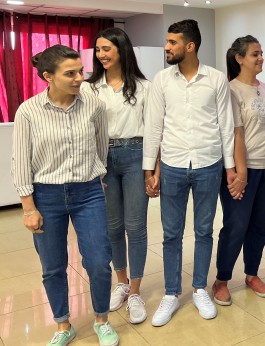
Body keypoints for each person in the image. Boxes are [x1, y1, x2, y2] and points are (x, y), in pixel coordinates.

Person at [12, 45, 119, 346]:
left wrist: (97, 175)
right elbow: (20, 161)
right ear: (48, 76)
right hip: (46, 195)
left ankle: (102, 319)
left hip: (89, 192)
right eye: (70, 73)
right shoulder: (28, 111)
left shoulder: (93, 104)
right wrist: (28, 207)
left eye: (80, 72)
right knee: (53, 266)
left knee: (99, 260)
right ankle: (63, 325)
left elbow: (101, 145)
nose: (78, 79)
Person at [143, 19, 235, 326]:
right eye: (167, 42)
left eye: (172, 42)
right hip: (172, 164)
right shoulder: (161, 80)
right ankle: (171, 293)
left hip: (208, 164)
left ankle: (199, 288)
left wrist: (231, 167)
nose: (167, 47)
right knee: (171, 234)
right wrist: (149, 169)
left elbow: (226, 125)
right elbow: (154, 126)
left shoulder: (216, 79)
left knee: (204, 230)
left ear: (190, 46)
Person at [211, 35, 265, 305]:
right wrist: (241, 172)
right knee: (236, 225)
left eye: (261, 53)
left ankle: (251, 273)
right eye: (255, 54)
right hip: (244, 171)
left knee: (260, 224)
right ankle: (221, 279)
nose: (260, 58)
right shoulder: (231, 90)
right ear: (239, 58)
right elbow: (236, 134)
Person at [82, 27, 152, 325]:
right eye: (98, 50)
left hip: (136, 155)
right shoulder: (89, 88)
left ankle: (135, 291)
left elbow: (153, 131)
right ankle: (121, 282)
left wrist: (152, 168)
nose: (101, 55)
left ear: (122, 49)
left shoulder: (143, 87)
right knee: (112, 227)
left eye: (106, 48)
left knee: (135, 226)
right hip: (103, 159)